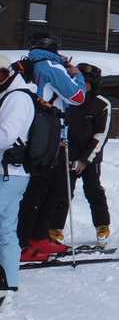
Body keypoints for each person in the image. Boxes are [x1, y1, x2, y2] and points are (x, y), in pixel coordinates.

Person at [17, 29, 85, 261]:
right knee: (40, 191)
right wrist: (77, 75)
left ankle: (37, 236)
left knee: (52, 187)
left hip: (34, 132)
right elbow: (77, 97)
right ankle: (25, 243)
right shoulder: (51, 67)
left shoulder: (28, 65)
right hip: (49, 135)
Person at [50, 63, 112, 247]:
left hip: (90, 156)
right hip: (67, 153)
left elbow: (100, 136)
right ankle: (55, 229)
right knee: (62, 191)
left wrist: (85, 160)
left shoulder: (102, 104)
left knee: (93, 190)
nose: (80, 85)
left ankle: (102, 226)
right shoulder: (66, 100)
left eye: (84, 82)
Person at [0, 55, 37, 305]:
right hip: (10, 172)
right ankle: (8, 287)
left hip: (9, 173)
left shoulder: (18, 98)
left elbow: (6, 134)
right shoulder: (9, 96)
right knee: (6, 229)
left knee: (5, 229)